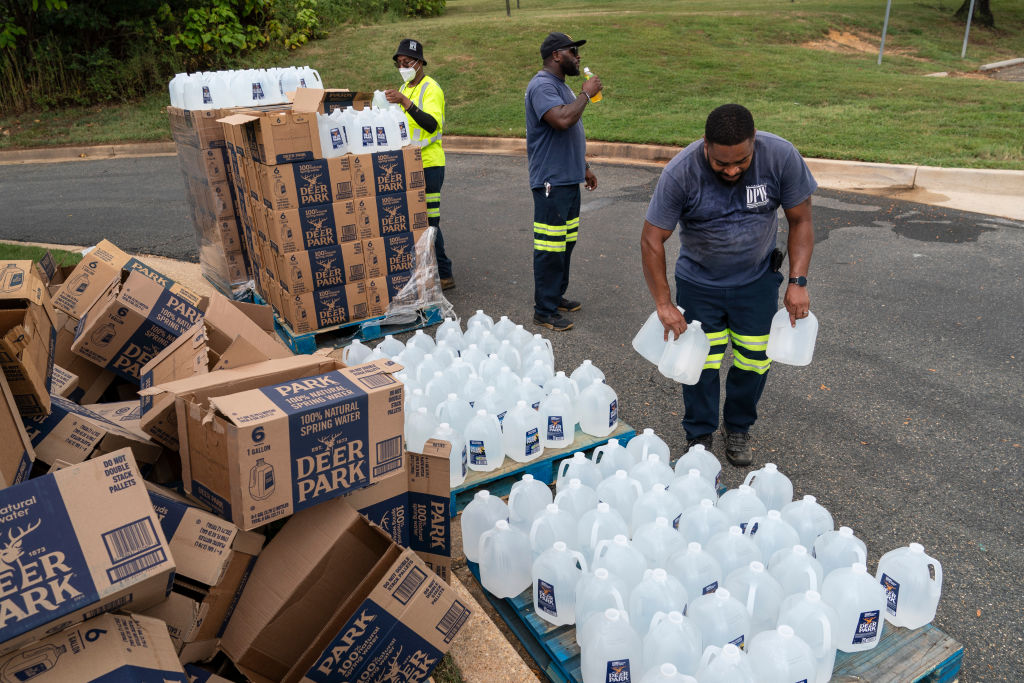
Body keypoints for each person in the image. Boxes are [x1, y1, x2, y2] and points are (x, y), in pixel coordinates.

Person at [640, 104, 817, 466]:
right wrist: (663, 304)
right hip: (699, 284)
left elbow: (801, 220)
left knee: (754, 361)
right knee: (702, 361)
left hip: (756, 284)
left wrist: (798, 281)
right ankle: (699, 434)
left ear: (754, 142)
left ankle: (737, 427)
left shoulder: (780, 156)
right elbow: (651, 239)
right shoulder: (681, 172)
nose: (733, 169)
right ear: (706, 145)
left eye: (742, 161)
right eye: (722, 164)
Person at [525, 31, 603, 331]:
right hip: (550, 181)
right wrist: (586, 92)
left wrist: (584, 166)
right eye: (573, 51)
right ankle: (543, 310)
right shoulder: (542, 85)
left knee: (565, 244)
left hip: (568, 178)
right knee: (550, 247)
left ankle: (555, 296)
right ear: (556, 55)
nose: (578, 56)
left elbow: (570, 131)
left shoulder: (561, 87)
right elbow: (561, 120)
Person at [385, 38, 453, 290]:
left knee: (429, 221)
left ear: (420, 63)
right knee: (420, 220)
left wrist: (405, 102)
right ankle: (429, 270)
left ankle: (444, 273)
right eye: (399, 63)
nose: (403, 66)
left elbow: (432, 124)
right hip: (411, 162)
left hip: (429, 163)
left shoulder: (430, 88)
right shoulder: (407, 86)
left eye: (407, 62)